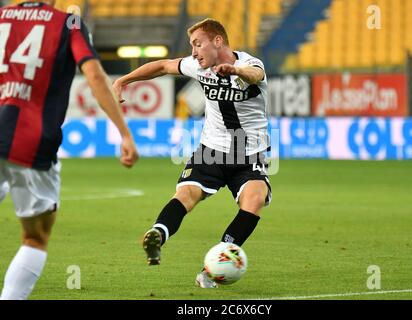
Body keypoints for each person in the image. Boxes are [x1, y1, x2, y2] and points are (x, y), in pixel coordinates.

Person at [113, 18, 271, 288]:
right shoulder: (198, 67)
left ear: (217, 41)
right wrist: (124, 80)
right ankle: (158, 234)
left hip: (248, 155)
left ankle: (213, 268)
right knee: (186, 195)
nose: (194, 51)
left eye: (198, 44)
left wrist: (235, 70)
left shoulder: (250, 64)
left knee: (254, 200)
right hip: (211, 150)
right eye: (192, 46)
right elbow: (162, 66)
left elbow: (255, 75)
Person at [0, 1, 139, 300]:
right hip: (32, 141)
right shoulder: (69, 24)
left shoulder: (1, 17)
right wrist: (124, 133)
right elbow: (96, 77)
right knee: (35, 237)